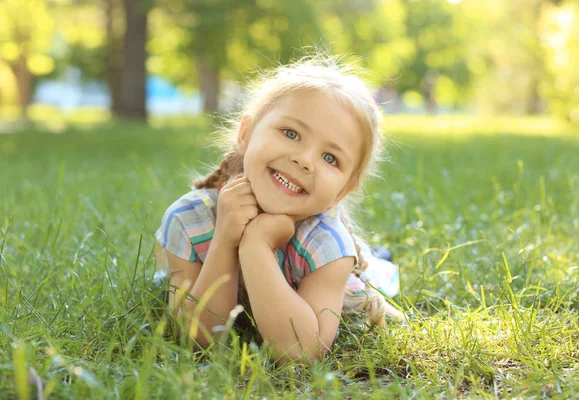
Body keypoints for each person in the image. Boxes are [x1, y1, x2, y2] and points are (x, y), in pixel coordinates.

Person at [155, 55, 402, 363]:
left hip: (331, 270)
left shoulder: (326, 245)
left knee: (370, 276)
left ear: (343, 190)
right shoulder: (189, 221)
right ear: (245, 134)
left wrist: (257, 244)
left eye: (330, 158)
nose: (305, 160)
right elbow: (198, 341)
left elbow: (299, 352)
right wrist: (225, 240)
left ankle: (374, 257)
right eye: (291, 133)